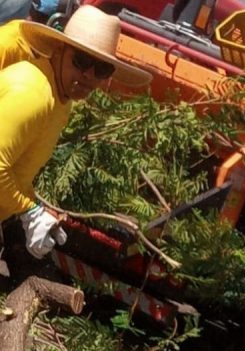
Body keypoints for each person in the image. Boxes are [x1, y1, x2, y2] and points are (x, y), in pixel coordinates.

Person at [0, 5, 151, 259]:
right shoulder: (34, 94)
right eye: (81, 61)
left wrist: (35, 208)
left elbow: (16, 171)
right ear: (59, 51)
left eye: (101, 68)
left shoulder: (60, 100)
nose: (89, 75)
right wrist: (29, 211)